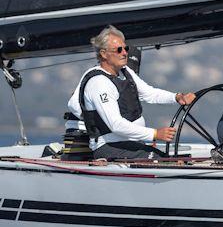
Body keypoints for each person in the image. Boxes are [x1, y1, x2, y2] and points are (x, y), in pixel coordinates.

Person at [67, 25, 196, 160]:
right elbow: (116, 125)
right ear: (104, 53)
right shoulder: (99, 83)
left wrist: (176, 97)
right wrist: (155, 134)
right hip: (110, 146)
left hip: (130, 143)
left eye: (125, 48)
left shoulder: (125, 72)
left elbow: (149, 93)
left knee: (168, 159)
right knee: (164, 160)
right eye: (118, 50)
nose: (124, 53)